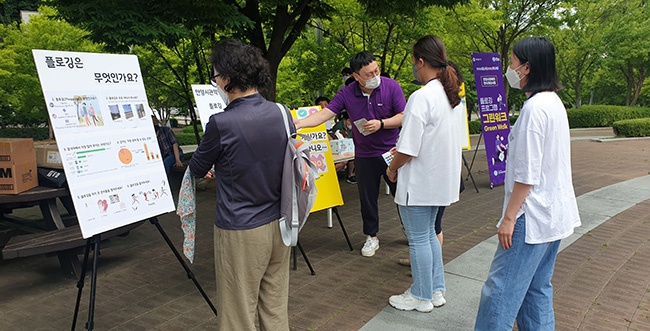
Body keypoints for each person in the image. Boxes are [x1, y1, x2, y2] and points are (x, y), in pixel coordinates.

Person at [474, 36, 581, 330]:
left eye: (512, 62)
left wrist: (508, 218)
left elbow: (527, 174)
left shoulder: (534, 110)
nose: (510, 68)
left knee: (499, 291)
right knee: (536, 289)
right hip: (553, 212)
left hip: (530, 216)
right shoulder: (553, 102)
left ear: (527, 68)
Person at [188, 39, 292, 331]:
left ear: (227, 79)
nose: (215, 81)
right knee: (274, 305)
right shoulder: (282, 113)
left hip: (240, 227)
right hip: (281, 223)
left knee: (238, 314)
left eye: (216, 75)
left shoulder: (221, 123)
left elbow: (197, 167)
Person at [295, 51, 406, 257]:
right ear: (356, 76)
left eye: (376, 71)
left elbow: (403, 116)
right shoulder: (348, 93)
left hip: (392, 151)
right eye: (369, 74)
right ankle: (371, 236)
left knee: (403, 193)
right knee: (367, 197)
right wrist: (299, 123)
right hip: (364, 154)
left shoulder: (391, 86)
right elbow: (325, 114)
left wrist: (382, 123)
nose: (375, 76)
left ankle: (410, 229)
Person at [385, 35, 462, 312]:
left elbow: (408, 148)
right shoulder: (451, 96)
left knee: (419, 237)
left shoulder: (421, 97)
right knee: (429, 234)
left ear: (420, 61)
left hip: (419, 181)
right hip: (441, 179)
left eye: (414, 62)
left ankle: (420, 294)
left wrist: (392, 168)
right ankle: (435, 289)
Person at [329, 111, 356, 184]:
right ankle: (330, 175)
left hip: (348, 148)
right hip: (337, 149)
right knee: (344, 161)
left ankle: (351, 175)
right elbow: (338, 139)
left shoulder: (349, 127)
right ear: (347, 120)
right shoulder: (338, 127)